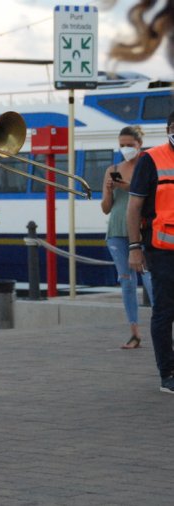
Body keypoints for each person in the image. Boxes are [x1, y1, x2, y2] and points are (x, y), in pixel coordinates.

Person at [127, 110, 174, 393]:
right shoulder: (152, 159)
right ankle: (167, 373)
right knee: (165, 311)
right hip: (162, 249)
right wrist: (135, 248)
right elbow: (134, 207)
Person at [102, 125, 154, 349]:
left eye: (129, 145)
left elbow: (152, 195)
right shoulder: (113, 168)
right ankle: (134, 332)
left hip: (142, 230)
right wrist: (110, 189)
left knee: (151, 280)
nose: (125, 149)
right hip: (116, 230)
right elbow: (106, 208)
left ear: (139, 145)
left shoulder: (147, 165)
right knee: (126, 282)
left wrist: (128, 186)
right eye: (121, 145)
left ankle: (163, 327)